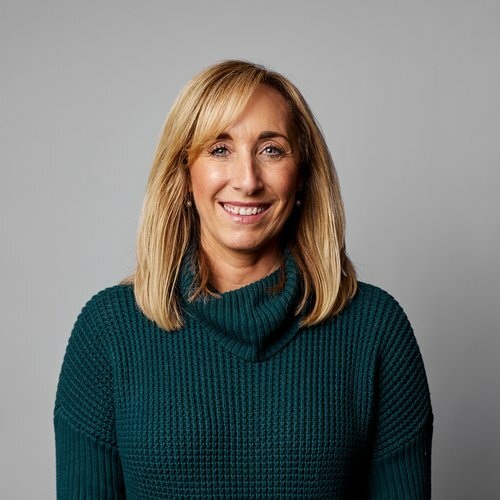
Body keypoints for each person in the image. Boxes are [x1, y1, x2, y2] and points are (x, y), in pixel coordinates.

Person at [53, 60, 433, 499]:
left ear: (303, 175)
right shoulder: (108, 331)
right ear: (184, 174)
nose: (248, 180)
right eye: (220, 149)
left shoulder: (376, 329)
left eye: (271, 150)